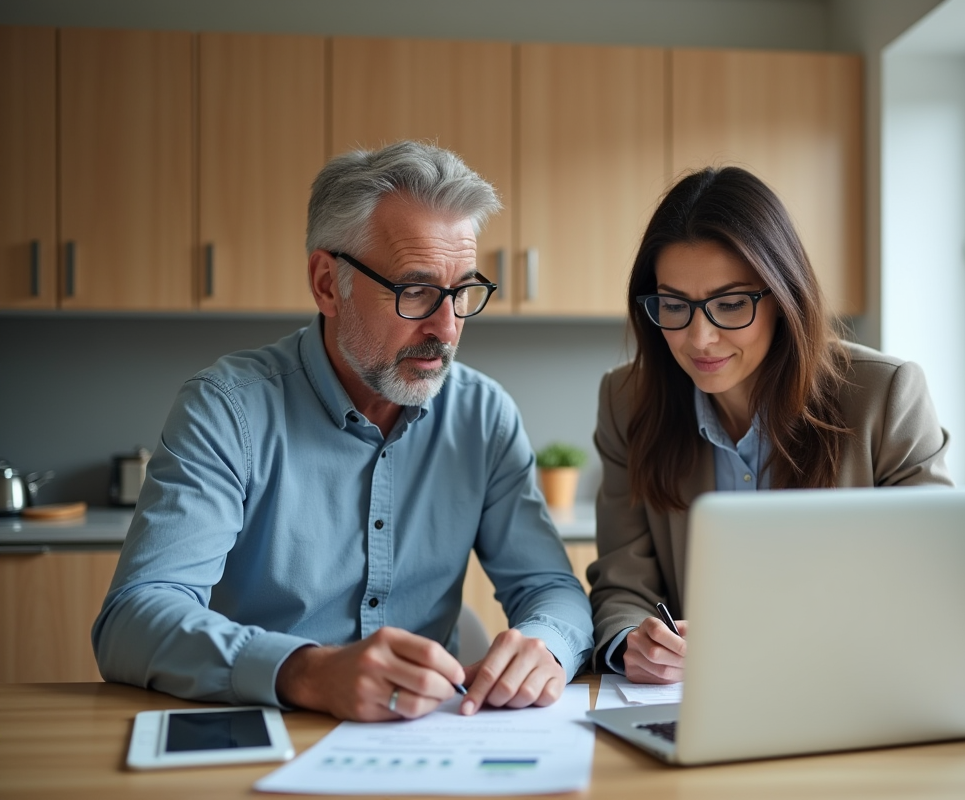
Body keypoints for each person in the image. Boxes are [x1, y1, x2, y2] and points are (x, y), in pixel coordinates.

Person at [93, 141, 593, 721]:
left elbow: (552, 589)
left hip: (432, 739)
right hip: (268, 732)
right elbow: (133, 618)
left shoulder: (483, 415)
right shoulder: (227, 408)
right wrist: (307, 671)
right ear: (328, 284)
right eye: (416, 290)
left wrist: (546, 644)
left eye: (462, 292)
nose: (447, 327)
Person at [587, 166, 952, 683]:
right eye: (674, 305)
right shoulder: (627, 402)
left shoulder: (884, 396)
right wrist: (633, 642)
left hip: (847, 690)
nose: (700, 338)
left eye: (730, 304)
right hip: (695, 703)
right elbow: (623, 581)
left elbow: (932, 581)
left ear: (783, 296)